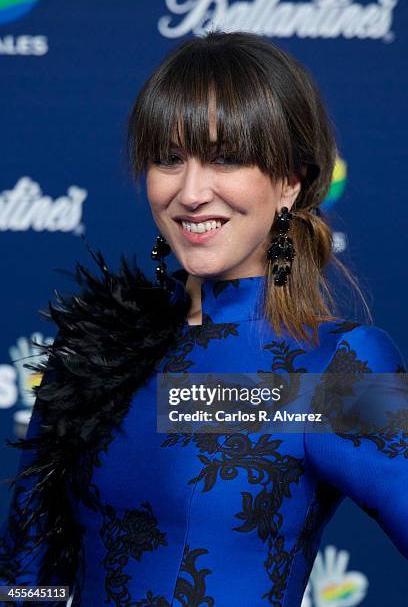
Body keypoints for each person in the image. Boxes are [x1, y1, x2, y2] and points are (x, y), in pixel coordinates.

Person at [0, 30, 407, 607]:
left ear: (290, 180)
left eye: (226, 158)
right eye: (169, 158)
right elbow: (24, 578)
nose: (191, 191)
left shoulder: (334, 369)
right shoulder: (91, 348)